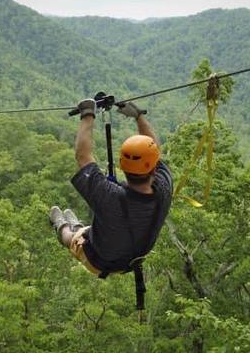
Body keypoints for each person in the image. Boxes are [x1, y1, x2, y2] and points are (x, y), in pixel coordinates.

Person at [49, 99, 173, 277]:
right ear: (153, 168)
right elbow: (156, 152)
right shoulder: (164, 190)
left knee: (73, 239)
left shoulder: (110, 196)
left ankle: (61, 226)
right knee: (88, 231)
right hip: (131, 257)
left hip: (98, 260)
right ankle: (77, 226)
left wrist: (87, 114)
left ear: (122, 165)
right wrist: (139, 117)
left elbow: (83, 156)